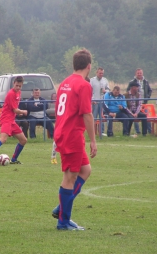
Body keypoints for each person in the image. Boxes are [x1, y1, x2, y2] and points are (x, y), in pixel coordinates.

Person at [52, 48, 97, 231]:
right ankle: (63, 221)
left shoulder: (64, 83)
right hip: (72, 135)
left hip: (64, 131)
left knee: (85, 170)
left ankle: (62, 208)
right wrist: (93, 140)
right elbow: (87, 114)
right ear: (89, 66)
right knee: (70, 177)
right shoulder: (84, 85)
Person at [0, 76, 28, 164]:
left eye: (20, 86)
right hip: (6, 119)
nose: (18, 87)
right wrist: (23, 111)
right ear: (13, 84)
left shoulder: (18, 92)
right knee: (3, 139)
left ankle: (14, 160)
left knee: (23, 140)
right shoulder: (11, 94)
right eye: (16, 85)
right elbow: (15, 110)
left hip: (12, 120)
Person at [126, 68, 152, 134]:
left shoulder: (146, 81)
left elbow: (150, 90)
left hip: (144, 102)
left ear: (142, 73)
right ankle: (136, 131)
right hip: (132, 107)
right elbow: (127, 91)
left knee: (144, 116)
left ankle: (146, 133)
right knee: (133, 117)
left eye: (140, 73)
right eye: (138, 73)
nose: (139, 74)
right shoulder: (132, 82)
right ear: (136, 74)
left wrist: (147, 97)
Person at [90, 67, 110, 136]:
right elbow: (89, 91)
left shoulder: (105, 80)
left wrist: (105, 91)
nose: (101, 74)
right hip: (94, 102)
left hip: (102, 101)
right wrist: (92, 99)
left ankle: (101, 132)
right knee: (93, 117)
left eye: (102, 73)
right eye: (100, 73)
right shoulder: (92, 80)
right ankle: (92, 132)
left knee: (102, 117)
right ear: (97, 73)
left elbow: (108, 90)